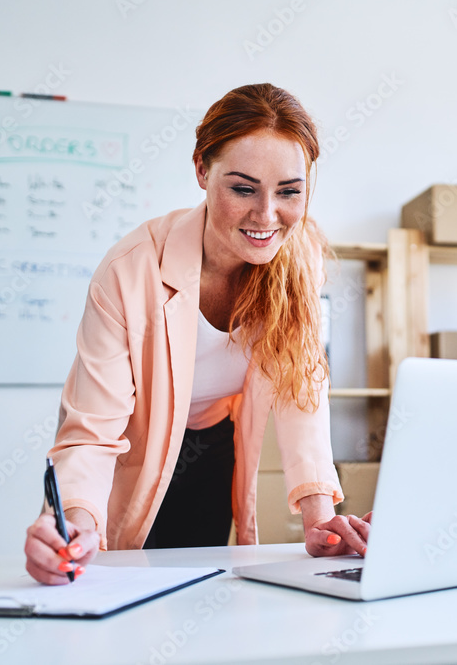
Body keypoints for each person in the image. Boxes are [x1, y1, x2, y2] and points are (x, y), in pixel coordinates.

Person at [24, 83, 370, 585]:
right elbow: (93, 429)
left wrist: (322, 521)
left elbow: (302, 388)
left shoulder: (300, 258)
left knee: (200, 587)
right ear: (202, 171)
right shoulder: (129, 271)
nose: (267, 216)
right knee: (122, 575)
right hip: (133, 448)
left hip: (212, 443)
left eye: (290, 191)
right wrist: (73, 521)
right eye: (243, 188)